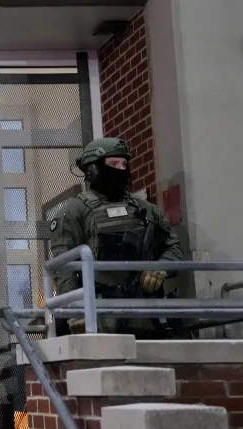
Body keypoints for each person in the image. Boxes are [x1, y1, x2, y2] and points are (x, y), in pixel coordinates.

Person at [50, 137, 182, 337]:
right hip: (99, 316)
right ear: (92, 170)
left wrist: (161, 267)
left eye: (124, 164)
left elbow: (172, 247)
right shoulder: (74, 212)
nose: (121, 169)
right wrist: (75, 311)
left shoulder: (145, 210)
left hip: (146, 314)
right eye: (113, 164)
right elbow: (64, 269)